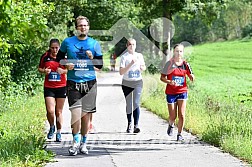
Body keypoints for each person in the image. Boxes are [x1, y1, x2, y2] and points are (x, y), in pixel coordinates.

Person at [56, 16, 103, 155]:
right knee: (75, 113)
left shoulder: (94, 44)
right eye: (80, 25)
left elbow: (100, 65)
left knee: (85, 116)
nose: (83, 27)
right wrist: (66, 64)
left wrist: (91, 58)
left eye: (85, 25)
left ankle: (84, 142)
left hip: (89, 82)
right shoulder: (68, 42)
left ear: (88, 27)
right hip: (73, 82)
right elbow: (59, 58)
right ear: (76, 28)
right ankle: (75, 142)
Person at [160, 44, 195, 141]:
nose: (178, 53)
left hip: (182, 91)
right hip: (171, 92)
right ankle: (171, 125)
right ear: (173, 52)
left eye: (180, 51)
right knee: (172, 115)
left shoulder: (186, 64)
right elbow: (162, 77)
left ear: (183, 53)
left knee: (182, 114)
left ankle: (180, 134)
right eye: (177, 51)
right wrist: (169, 81)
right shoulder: (169, 64)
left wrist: (192, 77)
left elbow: (191, 74)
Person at [38, 38, 67, 142]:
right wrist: (44, 71)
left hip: (61, 86)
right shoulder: (45, 56)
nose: (55, 50)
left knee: (58, 112)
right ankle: (51, 127)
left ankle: (59, 132)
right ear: (49, 48)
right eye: (52, 48)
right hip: (49, 87)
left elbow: (69, 69)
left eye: (56, 48)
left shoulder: (64, 57)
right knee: (50, 111)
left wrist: (63, 71)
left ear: (59, 48)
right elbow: (40, 68)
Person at [119, 38, 146, 133]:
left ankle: (136, 125)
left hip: (138, 82)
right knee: (129, 104)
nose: (131, 46)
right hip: (127, 82)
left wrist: (142, 67)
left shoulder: (139, 56)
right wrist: (131, 64)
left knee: (136, 103)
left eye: (133, 44)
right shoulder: (124, 57)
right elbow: (121, 72)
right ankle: (129, 123)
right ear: (127, 46)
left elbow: (143, 67)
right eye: (130, 44)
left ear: (136, 46)